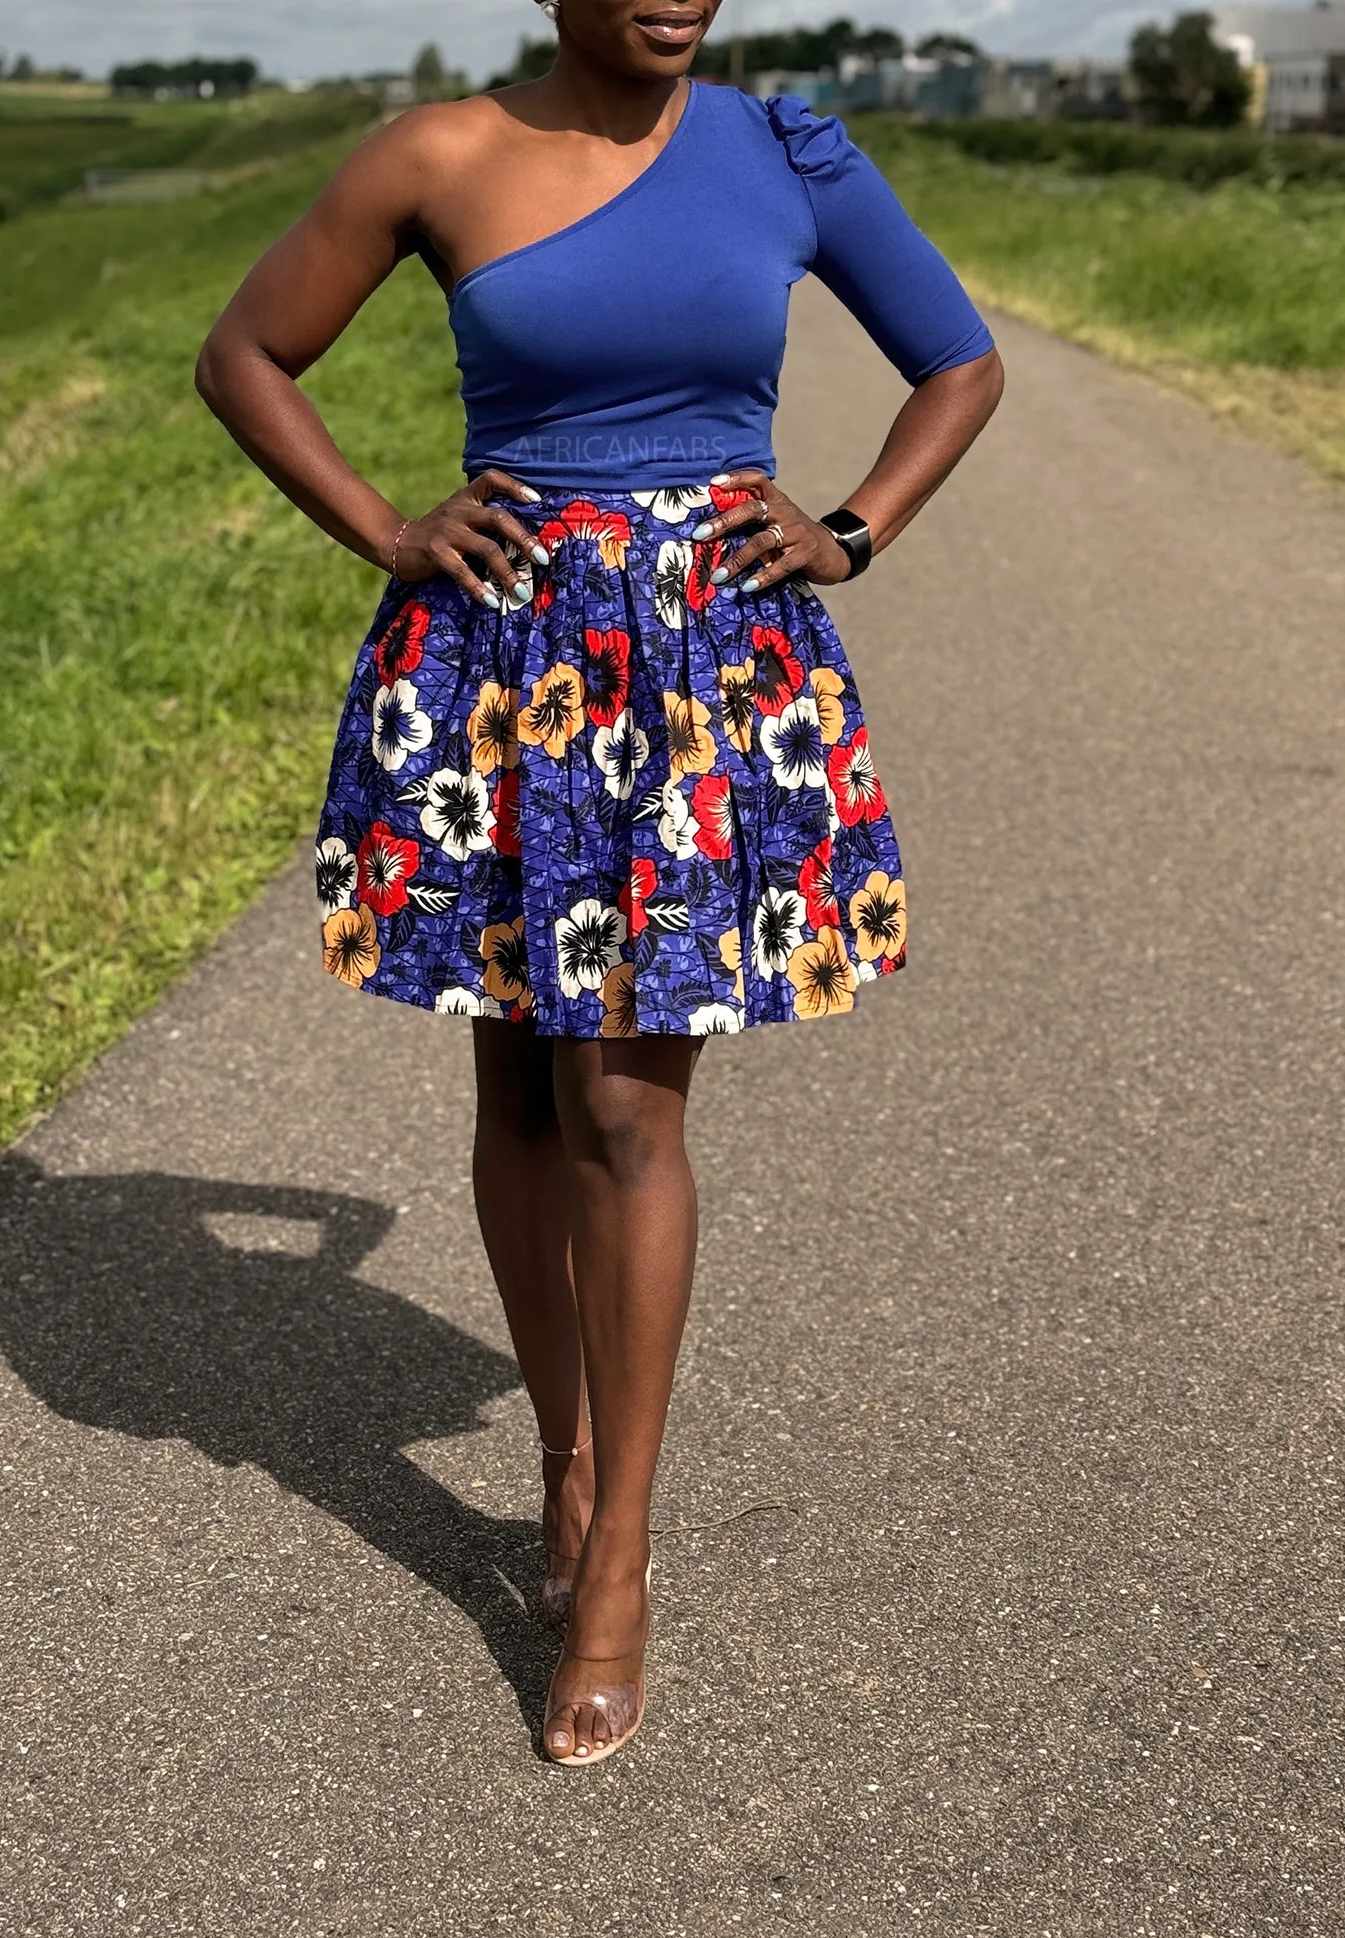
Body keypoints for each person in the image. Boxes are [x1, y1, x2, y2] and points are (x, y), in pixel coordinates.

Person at [195, 0, 1003, 1769]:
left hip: (706, 677)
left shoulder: (785, 147)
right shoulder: (437, 157)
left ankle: (617, 1563)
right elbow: (246, 354)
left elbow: (961, 360)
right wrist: (388, 527)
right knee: (516, 1084)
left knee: (626, 1100)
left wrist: (852, 527)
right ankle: (559, 1451)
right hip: (497, 663)